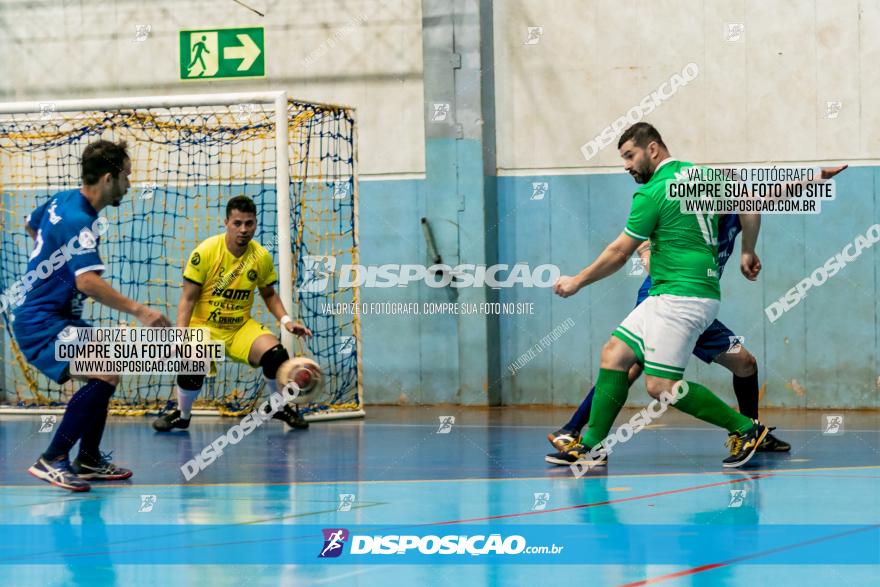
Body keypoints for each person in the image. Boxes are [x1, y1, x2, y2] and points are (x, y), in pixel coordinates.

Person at [552, 122, 769, 468]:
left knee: (661, 386)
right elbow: (752, 202)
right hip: (668, 293)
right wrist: (748, 250)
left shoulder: (651, 193)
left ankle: (745, 428)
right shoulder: (701, 175)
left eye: (629, 156)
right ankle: (590, 443)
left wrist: (577, 280)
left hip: (683, 298)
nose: (626, 165)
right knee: (616, 355)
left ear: (652, 149)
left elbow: (619, 252)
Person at [15, 139, 171, 492]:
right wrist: (141, 311)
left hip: (56, 317)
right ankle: (53, 458)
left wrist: (51, 267)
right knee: (104, 374)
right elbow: (86, 281)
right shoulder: (79, 220)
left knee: (108, 364)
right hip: (40, 322)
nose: (129, 185)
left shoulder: (63, 201)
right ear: (108, 178)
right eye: (127, 177)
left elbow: (32, 226)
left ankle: (88, 459)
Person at [152, 195, 313, 432]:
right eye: (237, 223)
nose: (244, 229)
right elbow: (188, 298)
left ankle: (279, 407)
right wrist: (180, 336)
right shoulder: (206, 252)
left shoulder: (261, 257)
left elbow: (269, 295)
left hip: (239, 327)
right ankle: (182, 415)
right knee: (192, 361)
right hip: (204, 326)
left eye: (249, 223)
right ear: (226, 222)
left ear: (256, 224)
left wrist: (287, 321)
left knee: (277, 355)